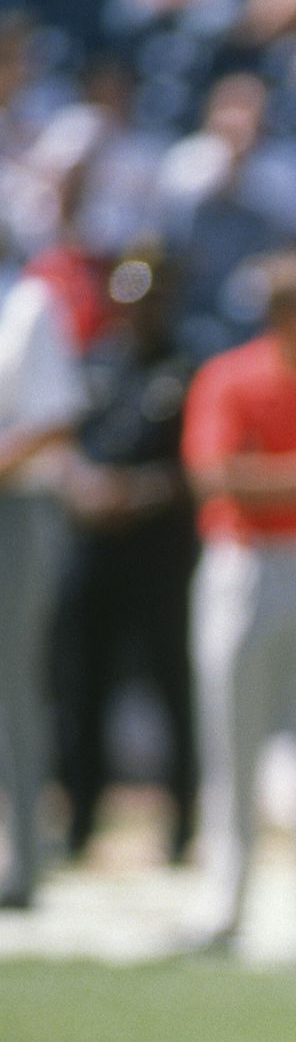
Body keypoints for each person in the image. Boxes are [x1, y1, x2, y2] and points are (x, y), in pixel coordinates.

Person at [182, 241, 296, 956]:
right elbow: (215, 475)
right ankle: (227, 904)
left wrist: (277, 477)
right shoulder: (229, 376)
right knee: (232, 741)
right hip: (244, 562)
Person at [51, 247, 199, 864]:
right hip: (93, 547)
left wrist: (134, 492)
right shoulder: (93, 366)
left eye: (151, 299)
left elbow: (193, 464)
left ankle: (182, 824)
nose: (139, 312)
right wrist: (81, 483)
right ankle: (79, 821)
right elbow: (61, 439)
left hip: (159, 551)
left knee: (172, 685)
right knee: (81, 684)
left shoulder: (185, 367)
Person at [0, 250, 89, 908]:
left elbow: (55, 418)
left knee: (12, 686)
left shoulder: (27, 302)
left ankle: (23, 862)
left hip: (17, 510)